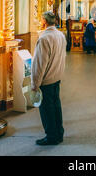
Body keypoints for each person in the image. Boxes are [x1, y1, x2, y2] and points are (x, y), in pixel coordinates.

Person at [31, 11, 67, 146]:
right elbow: (62, 57)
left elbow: (40, 64)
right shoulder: (60, 35)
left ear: (44, 22)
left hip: (46, 80)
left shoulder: (44, 38)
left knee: (47, 109)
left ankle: (51, 136)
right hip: (57, 77)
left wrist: (35, 83)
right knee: (56, 106)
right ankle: (59, 133)